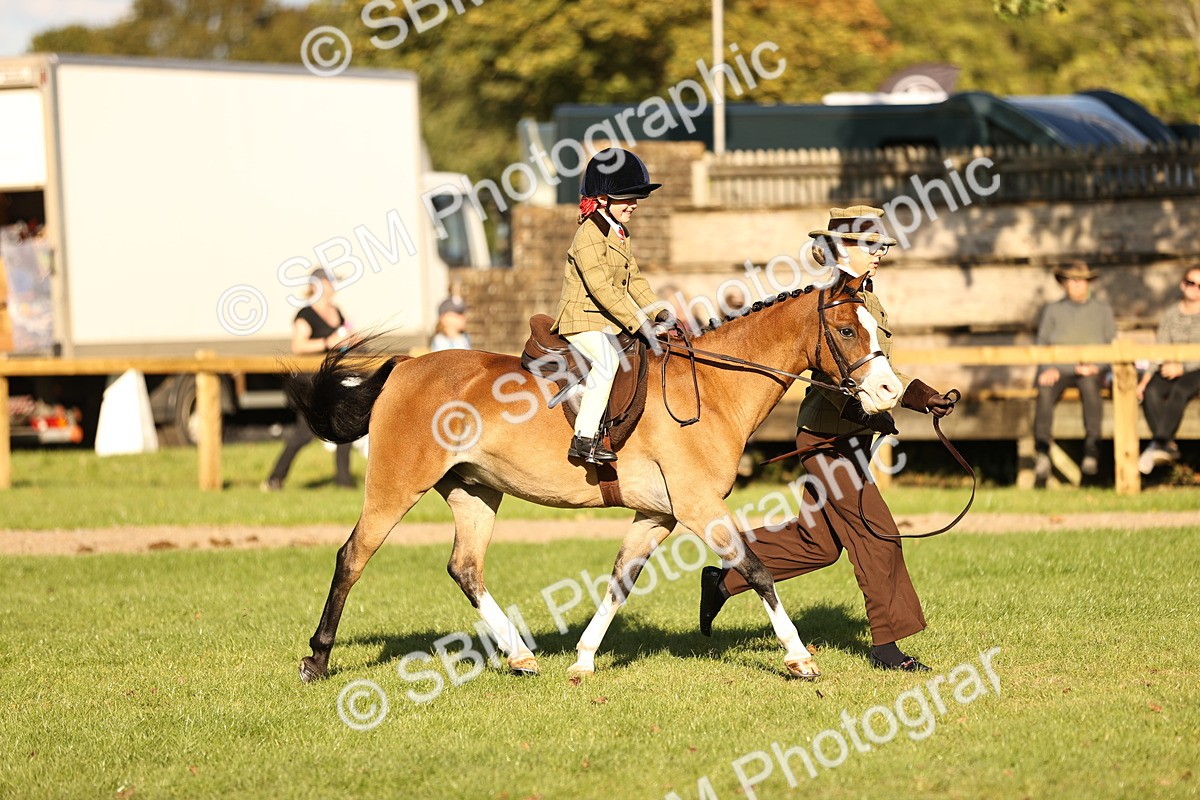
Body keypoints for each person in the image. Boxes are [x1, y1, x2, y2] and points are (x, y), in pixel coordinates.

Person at [697, 206, 958, 672]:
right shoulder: (826, 302)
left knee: (816, 545)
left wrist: (923, 397)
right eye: (871, 246)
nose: (880, 253)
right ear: (842, 248)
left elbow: (879, 369)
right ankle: (887, 650)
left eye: (882, 245)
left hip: (848, 438)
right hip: (826, 439)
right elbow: (836, 374)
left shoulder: (862, 297)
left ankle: (725, 580)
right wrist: (895, 402)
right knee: (878, 537)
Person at [550, 147, 672, 464]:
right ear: (603, 199)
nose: (633, 204)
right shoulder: (588, 235)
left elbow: (634, 279)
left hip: (606, 322)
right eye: (626, 198)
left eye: (635, 198)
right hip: (581, 321)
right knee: (606, 362)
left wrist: (659, 311)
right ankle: (584, 438)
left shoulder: (619, 233)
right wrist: (638, 322)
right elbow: (602, 289)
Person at [262, 268, 354, 491]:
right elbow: (298, 346)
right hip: (308, 381)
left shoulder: (337, 312)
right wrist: (326, 343)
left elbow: (342, 338)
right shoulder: (305, 314)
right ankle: (274, 478)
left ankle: (343, 480)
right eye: (332, 283)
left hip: (330, 378)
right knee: (305, 433)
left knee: (345, 427)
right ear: (320, 285)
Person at [1032, 261, 1116, 486]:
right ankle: (1042, 450)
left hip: (1089, 369)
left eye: (1081, 280)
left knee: (1090, 387)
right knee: (1045, 389)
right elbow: (1042, 343)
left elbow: (1112, 346)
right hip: (1058, 368)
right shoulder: (1053, 310)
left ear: (1088, 283)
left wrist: (1096, 366)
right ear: (1064, 284)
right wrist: (1046, 367)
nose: (1077, 285)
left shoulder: (1103, 310)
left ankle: (1092, 448)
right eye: (1072, 281)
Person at [1137, 264, 1200, 474]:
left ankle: (1159, 442)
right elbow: (1160, 349)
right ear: (1183, 284)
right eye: (1192, 283)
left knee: (1180, 389)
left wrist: (1183, 367)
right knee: (1152, 390)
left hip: (1196, 369)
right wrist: (1144, 380)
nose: (1195, 288)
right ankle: (1166, 445)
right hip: (1171, 366)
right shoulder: (1171, 314)